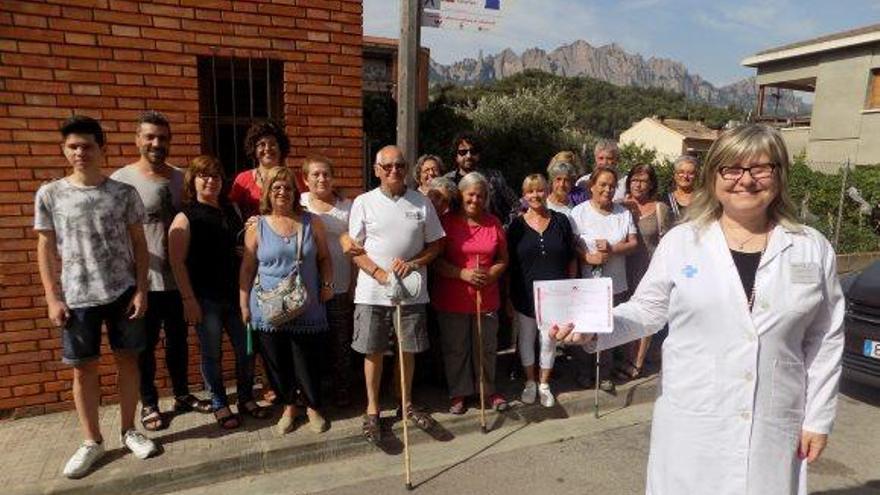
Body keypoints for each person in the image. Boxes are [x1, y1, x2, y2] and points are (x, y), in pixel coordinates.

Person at [552, 124, 845, 495]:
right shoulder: (683, 242)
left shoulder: (811, 248)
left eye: (761, 168)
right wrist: (595, 326)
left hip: (773, 423)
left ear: (780, 174)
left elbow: (826, 339)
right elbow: (646, 311)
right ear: (714, 176)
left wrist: (818, 418)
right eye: (732, 168)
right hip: (692, 421)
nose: (746, 179)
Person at [35, 116, 158, 479]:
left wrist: (141, 289)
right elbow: (44, 247)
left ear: (101, 148)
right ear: (64, 150)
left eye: (87, 145)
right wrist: (51, 298)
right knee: (83, 369)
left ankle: (129, 430)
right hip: (76, 297)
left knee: (128, 363)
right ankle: (91, 441)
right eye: (72, 146)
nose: (79, 152)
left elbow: (139, 242)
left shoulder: (122, 193)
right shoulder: (50, 194)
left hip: (122, 293)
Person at [111, 111, 209, 432]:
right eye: (150, 137)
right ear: (137, 139)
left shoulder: (181, 178)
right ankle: (149, 402)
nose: (156, 143)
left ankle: (182, 394)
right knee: (145, 346)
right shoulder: (121, 180)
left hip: (179, 280)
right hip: (142, 282)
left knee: (179, 342)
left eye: (163, 138)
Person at [346, 145, 445, 446]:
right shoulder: (363, 202)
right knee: (373, 350)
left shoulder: (422, 202)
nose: (394, 171)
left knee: (408, 350)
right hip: (373, 292)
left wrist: (413, 263)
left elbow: (436, 244)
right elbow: (354, 249)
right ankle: (373, 408)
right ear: (376, 169)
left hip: (411, 292)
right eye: (387, 166)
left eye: (399, 165)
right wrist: (379, 274)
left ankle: (406, 402)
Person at [168, 156, 260, 430]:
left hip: (236, 295)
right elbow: (176, 262)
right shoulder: (185, 216)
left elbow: (238, 244)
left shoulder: (230, 210)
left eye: (216, 176)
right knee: (212, 354)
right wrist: (188, 300)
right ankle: (220, 403)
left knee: (247, 349)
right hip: (205, 299)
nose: (210, 181)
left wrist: (243, 250)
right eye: (204, 176)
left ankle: (245, 398)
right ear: (193, 181)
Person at [240, 167, 333, 435]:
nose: (282, 192)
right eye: (276, 187)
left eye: (288, 188)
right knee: (277, 362)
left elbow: (324, 258)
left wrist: (327, 284)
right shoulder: (256, 226)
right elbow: (247, 268)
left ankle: (314, 407)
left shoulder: (311, 222)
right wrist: (244, 304)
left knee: (307, 359)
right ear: (268, 192)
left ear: (296, 192)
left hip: (307, 302)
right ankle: (289, 407)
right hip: (268, 305)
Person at [432, 172, 509, 414]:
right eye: (471, 194)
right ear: (461, 195)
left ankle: (487, 390)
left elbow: (503, 259)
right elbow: (435, 261)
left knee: (485, 347)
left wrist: (492, 273)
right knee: (456, 348)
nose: (475, 199)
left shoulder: (493, 222)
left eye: (481, 195)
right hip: (452, 297)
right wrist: (461, 274)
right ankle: (459, 392)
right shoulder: (446, 222)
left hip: (486, 297)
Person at [507, 174, 577, 407]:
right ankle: (529, 382)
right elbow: (510, 264)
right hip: (524, 293)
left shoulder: (562, 221)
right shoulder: (516, 225)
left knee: (548, 340)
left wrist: (572, 287)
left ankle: (544, 384)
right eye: (530, 191)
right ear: (524, 195)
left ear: (547, 191)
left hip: (555, 295)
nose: (535, 195)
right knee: (526, 339)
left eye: (539, 190)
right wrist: (508, 296)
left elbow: (571, 258)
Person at [569, 167, 638, 392]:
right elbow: (572, 244)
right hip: (586, 283)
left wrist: (612, 249)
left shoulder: (623, 213)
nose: (607, 189)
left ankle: (604, 373)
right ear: (592, 186)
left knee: (608, 329)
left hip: (614, 282)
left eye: (611, 186)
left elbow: (633, 243)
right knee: (585, 328)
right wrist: (587, 256)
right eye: (602, 185)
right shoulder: (578, 212)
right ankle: (582, 371)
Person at [299, 155, 356, 407]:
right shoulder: (298, 203)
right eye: (315, 174)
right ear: (305, 179)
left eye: (326, 174)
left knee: (340, 343)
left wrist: (355, 285)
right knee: (312, 343)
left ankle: (342, 390)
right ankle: (313, 393)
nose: (322, 178)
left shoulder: (348, 206)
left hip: (341, 285)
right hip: (307, 288)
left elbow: (357, 248)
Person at [621, 164, 673, 379]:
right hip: (624, 268)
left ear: (651, 184)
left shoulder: (660, 209)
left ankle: (637, 362)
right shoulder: (620, 206)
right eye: (634, 179)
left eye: (643, 181)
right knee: (627, 314)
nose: (638, 184)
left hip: (650, 269)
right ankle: (626, 356)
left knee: (646, 315)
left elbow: (669, 242)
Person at [443, 133, 519, 226]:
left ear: (479, 154)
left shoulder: (494, 178)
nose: (468, 156)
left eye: (473, 151)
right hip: (458, 236)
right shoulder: (448, 181)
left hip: (490, 234)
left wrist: (505, 228)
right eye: (463, 152)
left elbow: (516, 205)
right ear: (456, 156)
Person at [229, 120, 290, 220]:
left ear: (281, 147)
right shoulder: (243, 179)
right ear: (254, 149)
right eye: (262, 144)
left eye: (273, 144)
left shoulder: (292, 179)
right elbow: (233, 211)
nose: (267, 148)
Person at [666, 154, 699, 220]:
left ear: (696, 175)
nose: (685, 176)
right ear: (675, 175)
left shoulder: (702, 199)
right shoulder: (665, 200)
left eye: (690, 173)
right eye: (681, 172)